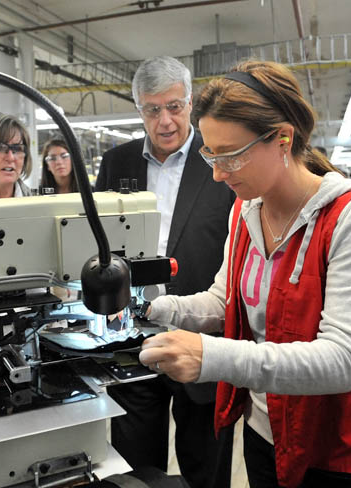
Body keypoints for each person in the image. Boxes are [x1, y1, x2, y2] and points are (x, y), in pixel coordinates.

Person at [137, 60, 351, 488]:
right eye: (211, 153)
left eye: (231, 156)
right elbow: (224, 301)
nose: (217, 173)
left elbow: (345, 360)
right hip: (267, 432)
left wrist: (212, 357)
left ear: (283, 138)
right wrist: (150, 308)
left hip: (340, 453)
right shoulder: (246, 211)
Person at [94, 56, 235, 488]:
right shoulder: (116, 163)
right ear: (139, 109)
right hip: (130, 334)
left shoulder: (220, 160)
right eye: (153, 109)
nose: (166, 120)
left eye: (174, 106)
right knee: (135, 468)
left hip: (204, 336)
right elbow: (98, 242)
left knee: (206, 468)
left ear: (190, 103)